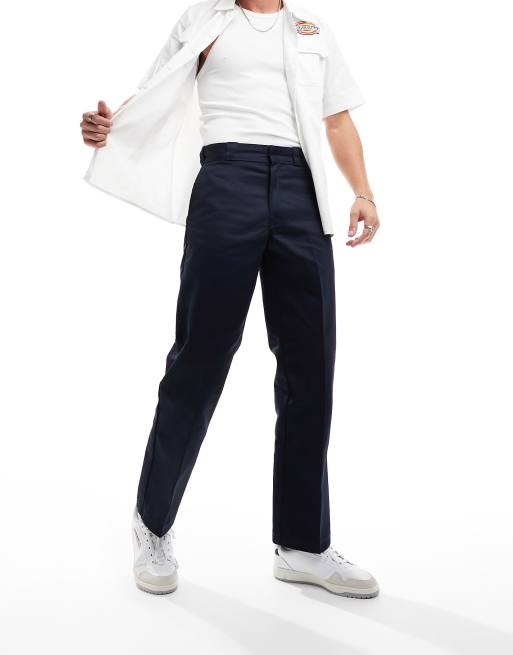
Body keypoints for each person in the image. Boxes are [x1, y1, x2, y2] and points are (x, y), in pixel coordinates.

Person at [80, 0, 380, 598]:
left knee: (311, 368)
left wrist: (364, 193)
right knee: (200, 358)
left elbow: (337, 119)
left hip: (302, 189)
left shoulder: (311, 30)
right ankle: (152, 525)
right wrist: (108, 127)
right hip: (226, 179)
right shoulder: (204, 19)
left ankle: (303, 545)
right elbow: (153, 94)